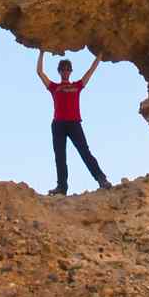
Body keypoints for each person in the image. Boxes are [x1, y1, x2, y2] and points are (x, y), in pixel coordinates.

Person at [36, 48, 110, 195]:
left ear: (71, 71)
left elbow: (90, 71)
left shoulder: (77, 85)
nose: (65, 71)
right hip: (58, 124)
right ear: (59, 71)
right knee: (60, 157)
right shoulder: (54, 87)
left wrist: (100, 55)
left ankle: (102, 179)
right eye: (63, 69)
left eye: (68, 69)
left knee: (85, 152)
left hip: (74, 123)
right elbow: (40, 72)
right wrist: (42, 52)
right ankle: (61, 188)